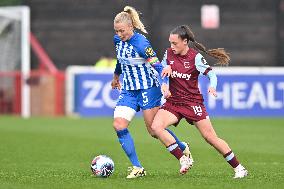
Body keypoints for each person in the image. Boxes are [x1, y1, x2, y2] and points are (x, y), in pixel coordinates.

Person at [151, 25, 248, 178]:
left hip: (192, 103)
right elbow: (164, 71)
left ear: (185, 42)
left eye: (175, 43)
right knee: (156, 127)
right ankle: (183, 158)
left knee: (210, 138)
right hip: (174, 102)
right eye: (170, 43)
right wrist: (164, 82)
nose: (172, 46)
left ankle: (239, 168)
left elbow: (212, 75)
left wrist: (212, 87)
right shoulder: (168, 53)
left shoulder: (195, 57)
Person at [111, 6, 191, 179]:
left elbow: (158, 66)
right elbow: (120, 60)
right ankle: (137, 167)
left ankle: (182, 149)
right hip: (129, 91)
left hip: (148, 88)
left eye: (122, 31)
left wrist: (164, 84)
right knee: (119, 125)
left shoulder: (141, 43)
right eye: (116, 31)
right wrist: (116, 76)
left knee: (154, 130)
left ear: (131, 27)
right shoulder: (117, 40)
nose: (119, 34)